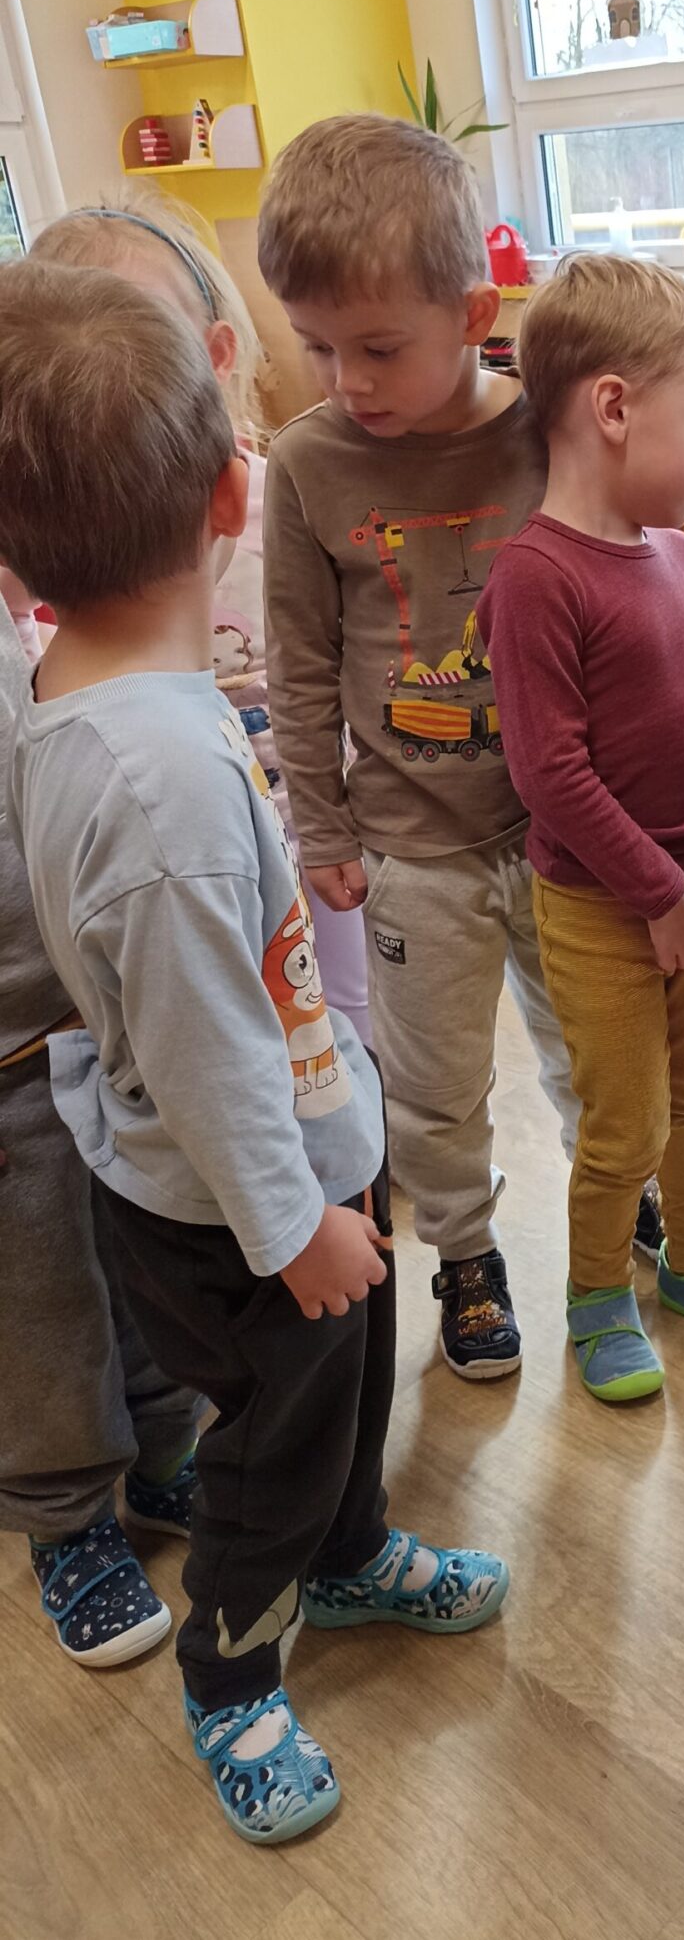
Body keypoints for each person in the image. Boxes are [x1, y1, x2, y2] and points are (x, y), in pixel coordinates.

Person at [0, 260, 508, 1843]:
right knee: (274, 1448)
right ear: (235, 488)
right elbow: (206, 1046)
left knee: (343, 1403)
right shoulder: (157, 784)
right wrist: (294, 1227)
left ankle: (347, 1554)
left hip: (284, 1164)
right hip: (245, 1208)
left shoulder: (75, 691)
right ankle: (231, 1670)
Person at [258, 114, 661, 1381]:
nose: (346, 379)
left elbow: (625, 605)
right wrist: (322, 827)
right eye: (316, 344)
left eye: (379, 347)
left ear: (475, 315)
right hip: (409, 849)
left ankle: (619, 1194)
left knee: (593, 1048)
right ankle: (468, 1256)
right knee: (434, 1085)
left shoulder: (547, 434)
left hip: (562, 834)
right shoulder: (304, 465)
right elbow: (300, 663)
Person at [477, 254, 684, 1401]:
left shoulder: (680, 556)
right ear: (613, 407)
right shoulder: (535, 579)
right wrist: (658, 893)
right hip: (607, 908)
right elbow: (548, 773)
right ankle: (598, 1294)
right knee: (625, 1121)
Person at [25, 190, 371, 1045]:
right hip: (182, 860)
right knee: (227, 1035)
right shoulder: (50, 549)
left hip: (316, 834)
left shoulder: (284, 498)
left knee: (351, 1032)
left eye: (147, 349)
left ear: (216, 356)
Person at [0, 608, 202, 1666]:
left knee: (141, 1245)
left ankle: (165, 1454)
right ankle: (65, 1513)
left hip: (81, 994)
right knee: (37, 1305)